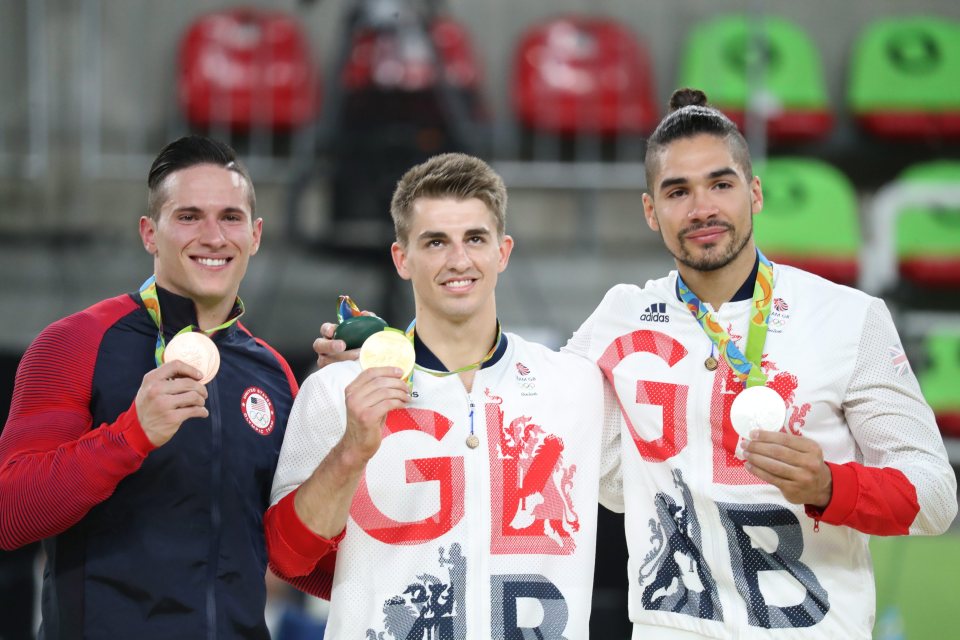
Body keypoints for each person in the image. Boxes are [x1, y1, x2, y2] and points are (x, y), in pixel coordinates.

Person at [564, 88, 958, 639]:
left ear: (754, 192)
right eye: (678, 191)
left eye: (721, 184)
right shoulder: (621, 318)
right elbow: (540, 415)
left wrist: (828, 486)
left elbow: (935, 498)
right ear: (651, 212)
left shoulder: (848, 317)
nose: (702, 208)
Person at [265, 153, 609, 638]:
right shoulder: (336, 389)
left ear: (503, 251)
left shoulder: (576, 386)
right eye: (435, 242)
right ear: (401, 259)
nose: (458, 260)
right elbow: (287, 558)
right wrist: (350, 453)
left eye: (475, 238)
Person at [0, 135, 301, 639]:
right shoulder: (75, 343)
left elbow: (300, 563)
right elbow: (11, 515)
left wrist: (344, 427)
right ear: (149, 233)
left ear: (255, 235)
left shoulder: (273, 374)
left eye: (230, 217)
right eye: (188, 216)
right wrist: (132, 434)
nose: (213, 236)